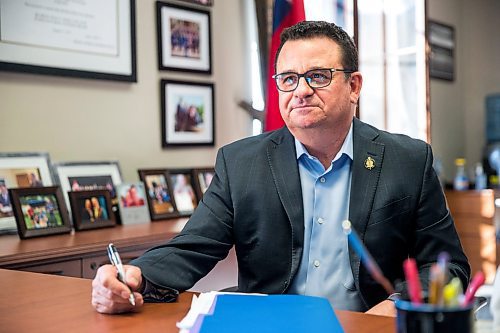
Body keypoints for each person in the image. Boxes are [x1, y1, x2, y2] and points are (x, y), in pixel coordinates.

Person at [91, 21, 469, 316]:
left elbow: (449, 266)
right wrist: (136, 276)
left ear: (354, 86)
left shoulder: (408, 160)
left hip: (367, 323)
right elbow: (193, 247)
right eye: (288, 79)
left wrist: (398, 305)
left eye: (318, 76)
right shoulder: (240, 162)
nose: (300, 90)